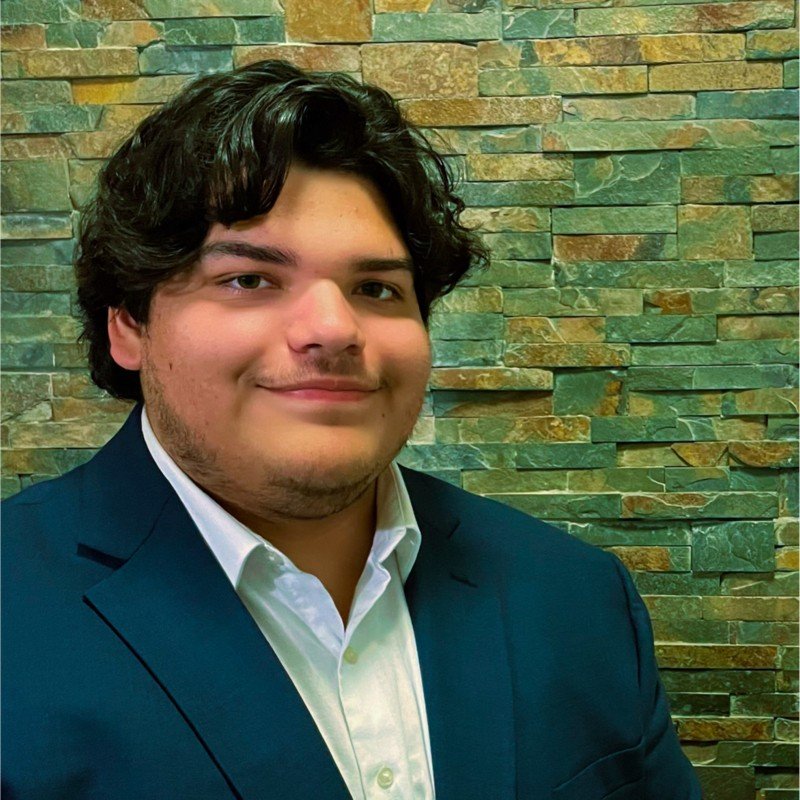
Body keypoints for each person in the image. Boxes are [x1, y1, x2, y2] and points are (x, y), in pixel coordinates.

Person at [2, 60, 702, 800]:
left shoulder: (577, 597)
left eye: (376, 288)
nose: (335, 328)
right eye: (249, 279)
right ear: (128, 325)